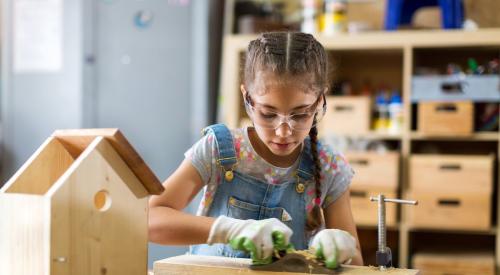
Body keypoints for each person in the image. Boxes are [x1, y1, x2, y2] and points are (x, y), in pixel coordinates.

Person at [149, 31, 363, 269]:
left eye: (300, 114)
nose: (283, 131)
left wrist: (341, 250)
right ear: (247, 97)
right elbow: (150, 219)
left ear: (320, 100)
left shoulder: (327, 165)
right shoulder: (220, 149)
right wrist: (228, 229)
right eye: (268, 114)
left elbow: (357, 266)